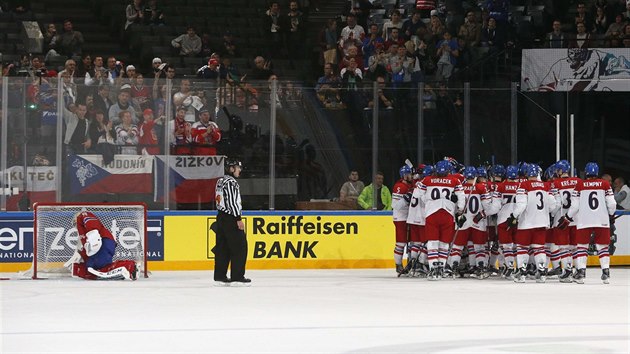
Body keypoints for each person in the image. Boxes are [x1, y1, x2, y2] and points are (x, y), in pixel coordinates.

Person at [559, 162, 616, 284]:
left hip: (584, 220)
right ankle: (606, 272)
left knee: (582, 247)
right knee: (603, 247)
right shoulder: (605, 184)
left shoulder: (580, 185)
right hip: (601, 219)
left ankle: (581, 273)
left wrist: (568, 217)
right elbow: (612, 204)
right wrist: (611, 215)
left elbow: (574, 206)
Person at [417, 160, 465, 280]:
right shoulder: (455, 180)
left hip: (432, 213)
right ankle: (442, 268)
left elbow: (419, 194)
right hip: (448, 213)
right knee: (444, 242)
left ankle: (433, 268)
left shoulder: (427, 180)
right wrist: (459, 211)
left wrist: (428, 201)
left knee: (432, 242)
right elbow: (461, 197)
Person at [510, 164, 559, 283]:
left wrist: (513, 216)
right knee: (539, 249)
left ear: (527, 174)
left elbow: (521, 205)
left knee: (522, 248)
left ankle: (522, 273)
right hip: (541, 223)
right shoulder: (546, 186)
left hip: (526, 223)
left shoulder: (524, 185)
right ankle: (542, 273)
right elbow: (553, 205)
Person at [67, 211, 137, 280]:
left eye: (75, 224)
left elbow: (89, 220)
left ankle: (131, 266)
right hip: (103, 246)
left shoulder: (82, 216)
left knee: (92, 266)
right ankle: (128, 268)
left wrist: (93, 234)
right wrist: (81, 256)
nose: (76, 227)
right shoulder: (84, 236)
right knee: (97, 268)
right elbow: (87, 250)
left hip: (104, 242)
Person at [213, 158, 250, 286]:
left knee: (222, 248)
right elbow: (232, 202)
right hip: (231, 218)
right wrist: (238, 218)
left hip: (221, 217)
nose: (240, 170)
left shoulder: (220, 180)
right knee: (239, 247)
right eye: (238, 168)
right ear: (232, 168)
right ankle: (237, 277)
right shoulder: (231, 182)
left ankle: (220, 276)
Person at [550, 160, 581, 282]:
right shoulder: (578, 181)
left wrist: (551, 213)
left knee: (563, 247)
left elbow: (556, 204)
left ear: (560, 171)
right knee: (575, 247)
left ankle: (567, 271)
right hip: (576, 219)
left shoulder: (555, 183)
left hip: (562, 219)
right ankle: (579, 270)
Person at [392, 165, 413, 276]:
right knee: (401, 243)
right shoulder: (399, 186)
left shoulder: (409, 185)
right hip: (400, 218)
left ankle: (410, 263)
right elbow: (395, 205)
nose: (411, 176)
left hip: (408, 218)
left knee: (410, 242)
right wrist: (406, 198)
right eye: (409, 174)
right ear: (404, 176)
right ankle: (398, 265)